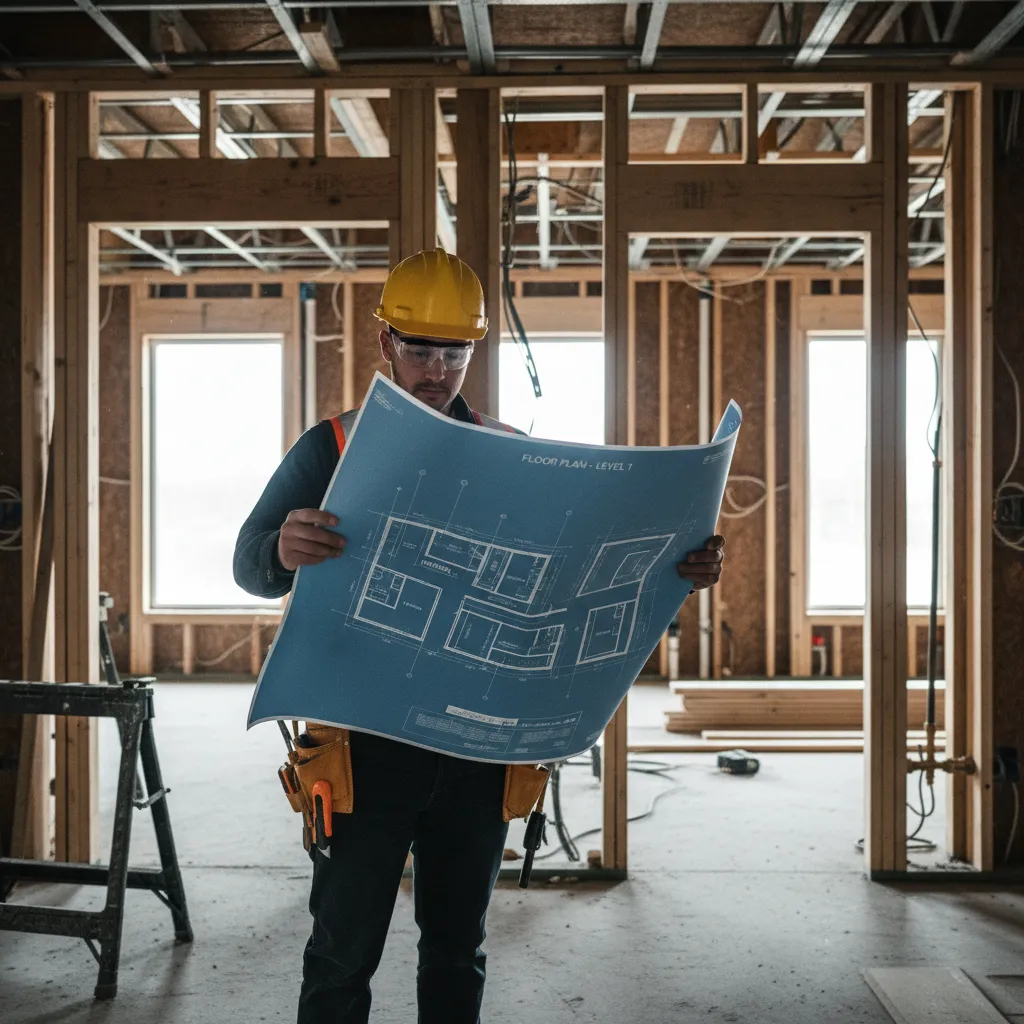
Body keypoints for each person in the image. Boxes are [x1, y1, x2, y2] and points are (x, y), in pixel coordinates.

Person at [233, 248, 726, 1024]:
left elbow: (568, 586)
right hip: (362, 745)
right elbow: (248, 564)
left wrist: (674, 570)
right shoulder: (331, 446)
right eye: (419, 348)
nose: (436, 369)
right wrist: (279, 550)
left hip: (477, 749)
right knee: (341, 954)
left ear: (473, 350)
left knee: (458, 950)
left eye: (453, 350)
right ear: (385, 343)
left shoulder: (508, 450)